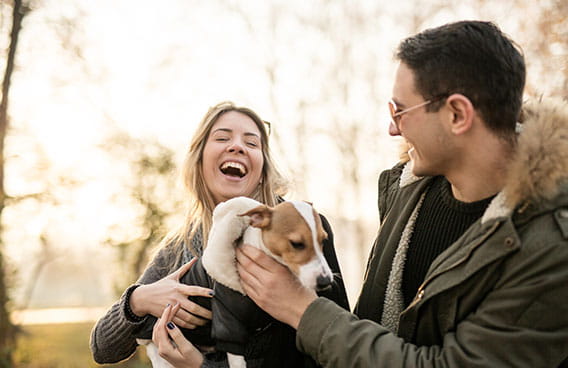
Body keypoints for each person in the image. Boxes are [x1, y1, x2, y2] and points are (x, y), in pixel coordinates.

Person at [234, 21, 568, 367]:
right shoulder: (405, 189)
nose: (392, 128)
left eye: (400, 111)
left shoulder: (552, 247)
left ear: (457, 114)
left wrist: (301, 310)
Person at [90, 101, 350, 367]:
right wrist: (138, 300)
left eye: (252, 143)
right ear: (199, 160)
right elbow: (102, 349)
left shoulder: (302, 228)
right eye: (222, 138)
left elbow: (336, 352)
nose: (236, 146)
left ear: (263, 168)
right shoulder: (182, 245)